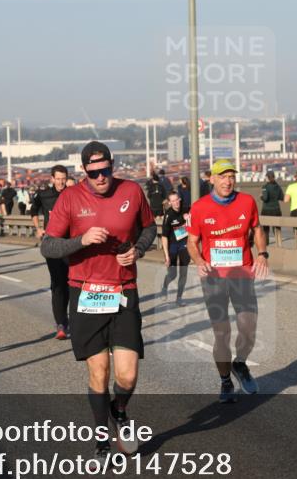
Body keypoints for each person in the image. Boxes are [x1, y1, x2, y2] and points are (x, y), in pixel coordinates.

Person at [40, 142, 156, 458]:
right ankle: (101, 437)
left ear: (112, 165)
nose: (101, 178)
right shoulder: (70, 198)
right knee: (99, 372)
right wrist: (81, 240)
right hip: (86, 292)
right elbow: (48, 246)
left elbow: (149, 228)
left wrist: (139, 250)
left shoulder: (131, 191)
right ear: (84, 172)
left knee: (128, 375)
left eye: (105, 171)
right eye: (94, 173)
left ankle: (119, 410)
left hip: (123, 290)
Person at [186, 158, 269, 403]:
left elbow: (257, 230)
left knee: (248, 329)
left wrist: (262, 254)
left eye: (231, 175)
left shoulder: (247, 202)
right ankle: (225, 381)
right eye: (222, 176)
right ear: (211, 179)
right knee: (222, 333)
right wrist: (199, 261)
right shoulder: (200, 207)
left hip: (241, 274)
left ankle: (240, 364)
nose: (228, 180)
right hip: (214, 278)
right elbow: (192, 242)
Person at [31, 165, 72, 340]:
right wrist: (38, 228)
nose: (61, 181)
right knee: (57, 283)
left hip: (71, 244)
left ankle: (67, 319)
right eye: (58, 178)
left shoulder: (73, 194)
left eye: (64, 178)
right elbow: (33, 210)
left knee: (70, 283)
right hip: (52, 244)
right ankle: (61, 324)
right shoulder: (44, 194)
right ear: (52, 179)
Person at [160, 191, 190, 306]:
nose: (176, 203)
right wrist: (167, 257)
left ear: (180, 199)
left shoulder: (186, 208)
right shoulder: (169, 215)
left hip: (184, 244)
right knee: (173, 274)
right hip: (172, 245)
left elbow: (197, 222)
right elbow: (164, 237)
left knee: (183, 272)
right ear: (170, 202)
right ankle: (164, 287)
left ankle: (179, 298)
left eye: (177, 200)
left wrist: (190, 218)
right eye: (173, 201)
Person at [259, 171, 284, 245]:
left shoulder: (265, 187)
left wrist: (261, 197)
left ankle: (266, 244)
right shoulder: (278, 186)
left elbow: (265, 198)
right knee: (277, 228)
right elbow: (282, 198)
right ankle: (279, 244)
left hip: (267, 210)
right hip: (276, 209)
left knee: (266, 229)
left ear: (267, 177)